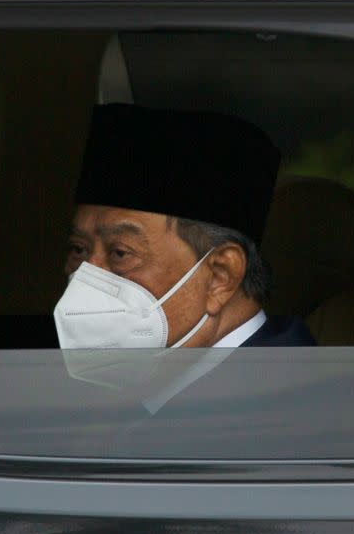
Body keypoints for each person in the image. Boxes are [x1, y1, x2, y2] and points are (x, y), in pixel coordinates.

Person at [54, 103, 315, 349]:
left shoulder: (287, 391)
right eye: (78, 249)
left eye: (120, 253)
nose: (86, 276)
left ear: (220, 277)